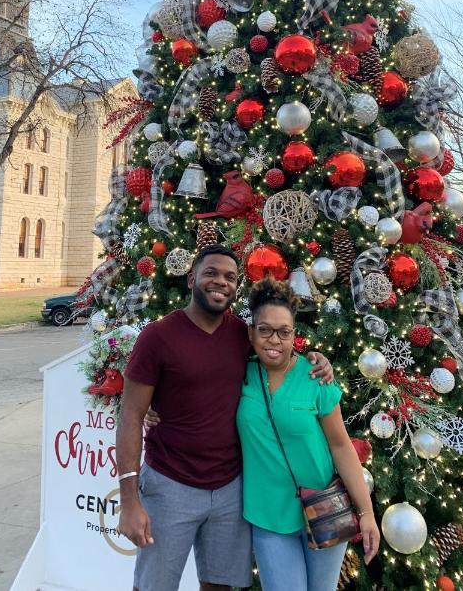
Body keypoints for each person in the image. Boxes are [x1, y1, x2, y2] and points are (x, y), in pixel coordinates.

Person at [116, 244, 334, 591]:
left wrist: (317, 359)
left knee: (219, 585)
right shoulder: (157, 337)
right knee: (154, 585)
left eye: (230, 277)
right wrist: (128, 500)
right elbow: (130, 414)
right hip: (171, 485)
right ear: (192, 279)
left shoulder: (239, 335)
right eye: (211, 273)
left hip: (231, 490)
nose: (221, 282)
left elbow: (277, 349)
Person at [237, 278, 380, 591]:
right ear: (251, 332)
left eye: (283, 331)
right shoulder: (238, 374)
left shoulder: (316, 377)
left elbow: (342, 446)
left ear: (293, 335)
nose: (274, 340)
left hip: (324, 509)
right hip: (268, 515)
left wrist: (367, 513)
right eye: (265, 330)